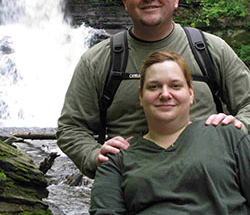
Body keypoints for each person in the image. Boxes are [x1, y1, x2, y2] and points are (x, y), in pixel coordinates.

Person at [56, 0, 250, 179]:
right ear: (125, 2)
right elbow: (71, 127)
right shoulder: (97, 61)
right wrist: (92, 155)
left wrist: (239, 127)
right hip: (132, 187)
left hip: (210, 184)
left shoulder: (211, 49)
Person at [90, 51, 250, 214]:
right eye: (154, 87)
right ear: (141, 96)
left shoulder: (228, 135)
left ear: (190, 93)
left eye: (175, 86)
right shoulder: (116, 157)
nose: (165, 94)